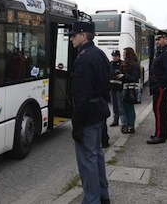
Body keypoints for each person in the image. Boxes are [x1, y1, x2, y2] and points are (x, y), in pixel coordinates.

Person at [69, 21, 110, 204]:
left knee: (87, 161)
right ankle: (103, 195)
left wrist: (76, 125)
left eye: (74, 35)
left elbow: (81, 96)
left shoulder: (84, 59)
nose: (71, 38)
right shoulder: (99, 53)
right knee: (97, 155)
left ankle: (92, 200)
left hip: (87, 114)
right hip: (98, 110)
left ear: (83, 36)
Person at [147, 30, 167, 144]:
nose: (157, 41)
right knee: (162, 109)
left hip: (161, 85)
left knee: (158, 109)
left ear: (165, 39)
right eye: (156, 39)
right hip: (158, 84)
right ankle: (164, 133)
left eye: (159, 39)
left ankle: (160, 135)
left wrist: (162, 86)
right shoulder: (162, 51)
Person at [116, 47, 140, 134]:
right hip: (124, 88)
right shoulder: (124, 63)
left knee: (130, 108)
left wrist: (124, 76)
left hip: (130, 89)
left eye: (124, 53)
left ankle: (131, 125)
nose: (123, 55)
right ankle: (127, 124)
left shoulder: (134, 65)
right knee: (125, 107)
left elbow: (135, 78)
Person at [109, 50, 128, 133]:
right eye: (113, 56)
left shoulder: (122, 64)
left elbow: (124, 75)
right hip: (112, 87)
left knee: (121, 106)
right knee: (114, 105)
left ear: (118, 56)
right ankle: (115, 120)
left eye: (115, 56)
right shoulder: (110, 64)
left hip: (119, 87)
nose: (114, 57)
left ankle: (124, 122)